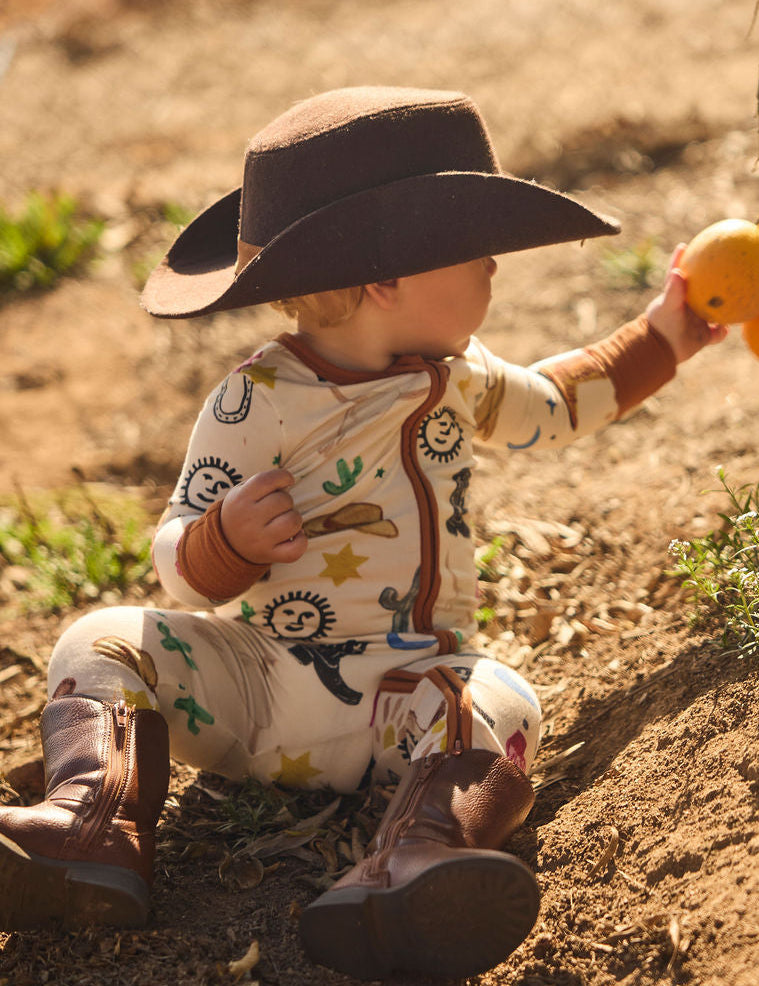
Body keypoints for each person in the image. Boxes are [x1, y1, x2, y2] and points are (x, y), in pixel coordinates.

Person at [0, 87, 725, 979]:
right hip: (260, 688)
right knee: (100, 637)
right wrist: (224, 537)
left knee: (495, 697)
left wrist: (667, 335)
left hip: (406, 704)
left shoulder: (460, 377)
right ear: (385, 279)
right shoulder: (256, 398)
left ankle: (420, 854)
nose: (494, 266)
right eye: (474, 248)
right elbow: (179, 556)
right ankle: (96, 822)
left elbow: (557, 403)